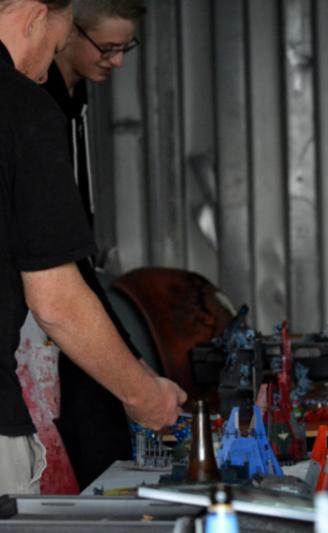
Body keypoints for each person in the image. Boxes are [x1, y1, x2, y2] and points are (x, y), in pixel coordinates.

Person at [0, 0, 185, 495]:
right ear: (35, 16)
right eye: (57, 46)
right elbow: (56, 300)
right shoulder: (21, 104)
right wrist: (144, 396)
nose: (47, 75)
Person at [41, 0, 145, 491]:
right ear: (66, 31)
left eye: (126, 47)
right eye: (107, 47)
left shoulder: (75, 99)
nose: (117, 61)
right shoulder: (36, 105)